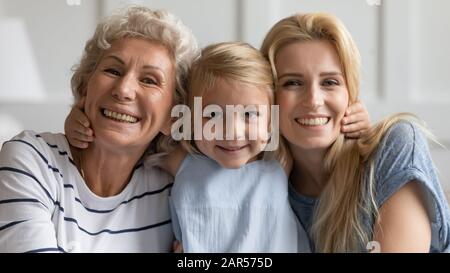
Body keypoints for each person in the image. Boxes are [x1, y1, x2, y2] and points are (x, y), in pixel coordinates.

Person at [0, 6, 199, 252]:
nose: (124, 89)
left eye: (149, 80)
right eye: (113, 70)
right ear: (85, 87)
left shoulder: (175, 190)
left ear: (173, 115)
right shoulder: (32, 160)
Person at [260, 12, 450, 252]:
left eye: (330, 82)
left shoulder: (397, 144)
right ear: (267, 95)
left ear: (350, 93)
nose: (313, 101)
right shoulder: (261, 182)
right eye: (292, 83)